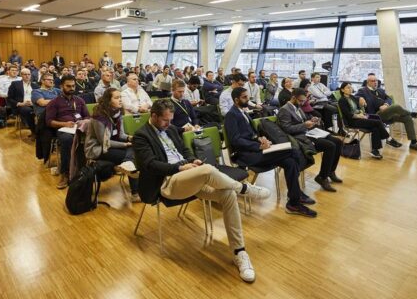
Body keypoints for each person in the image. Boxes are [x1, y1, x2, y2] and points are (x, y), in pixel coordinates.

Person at [132, 99, 270, 283]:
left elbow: (185, 151)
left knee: (227, 194)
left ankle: (239, 252)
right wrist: (180, 169)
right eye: (165, 120)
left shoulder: (171, 129)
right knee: (208, 170)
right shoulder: (141, 135)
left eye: (170, 120)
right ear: (154, 116)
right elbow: (150, 165)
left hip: (188, 177)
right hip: (166, 183)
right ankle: (244, 189)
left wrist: (192, 161)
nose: (169, 124)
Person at [225, 87, 317, 217]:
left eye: (247, 96)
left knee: (290, 162)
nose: (248, 99)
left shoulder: (242, 112)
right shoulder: (231, 115)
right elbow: (235, 140)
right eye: (244, 97)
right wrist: (258, 146)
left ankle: (294, 200)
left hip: (256, 150)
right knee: (293, 151)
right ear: (236, 100)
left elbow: (250, 134)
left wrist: (261, 139)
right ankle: (295, 197)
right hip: (246, 155)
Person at [278, 88, 343, 191]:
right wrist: (304, 125)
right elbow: (286, 129)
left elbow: (302, 121)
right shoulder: (284, 110)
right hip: (298, 138)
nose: (303, 102)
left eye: (304, 100)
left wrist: (311, 121)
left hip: (307, 133)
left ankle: (331, 171)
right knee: (330, 146)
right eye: (301, 100)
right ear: (293, 98)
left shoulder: (297, 106)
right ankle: (322, 177)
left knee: (338, 141)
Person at [85, 88, 140, 202]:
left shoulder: (118, 113)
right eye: (116, 98)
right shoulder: (99, 116)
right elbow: (104, 142)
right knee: (133, 154)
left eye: (120, 97)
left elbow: (121, 134)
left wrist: (131, 138)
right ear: (108, 100)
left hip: (111, 146)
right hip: (98, 149)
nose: (120, 100)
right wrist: (125, 145)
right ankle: (135, 193)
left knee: (137, 149)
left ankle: (127, 163)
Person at [355, 73, 417, 153]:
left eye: (376, 80)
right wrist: (360, 98)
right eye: (373, 81)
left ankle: (414, 143)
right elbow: (354, 97)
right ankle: (413, 114)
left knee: (407, 118)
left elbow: (389, 98)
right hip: (376, 116)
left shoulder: (380, 90)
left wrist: (386, 104)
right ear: (368, 82)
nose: (375, 82)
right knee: (396, 107)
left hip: (387, 114)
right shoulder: (363, 90)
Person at [46, 75, 90, 189]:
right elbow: (49, 121)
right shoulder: (54, 102)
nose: (71, 88)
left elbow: (87, 116)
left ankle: (88, 169)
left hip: (80, 127)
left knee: (96, 134)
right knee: (67, 139)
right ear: (61, 86)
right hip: (64, 130)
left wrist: (84, 122)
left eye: (73, 86)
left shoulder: (80, 100)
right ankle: (64, 173)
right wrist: (64, 124)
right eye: (68, 86)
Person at [339, 82, 390, 159]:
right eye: (348, 88)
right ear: (342, 90)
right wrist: (359, 115)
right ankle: (388, 138)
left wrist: (362, 113)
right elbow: (348, 115)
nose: (350, 89)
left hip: (360, 117)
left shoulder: (352, 97)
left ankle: (375, 151)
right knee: (377, 122)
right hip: (352, 121)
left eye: (351, 87)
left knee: (375, 124)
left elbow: (359, 108)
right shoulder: (342, 100)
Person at [8, 68, 39, 135]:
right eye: (25, 74)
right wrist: (20, 103)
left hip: (33, 104)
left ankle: (41, 131)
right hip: (21, 106)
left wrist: (33, 102)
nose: (27, 76)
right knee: (29, 111)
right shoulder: (15, 84)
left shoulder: (35, 85)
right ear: (21, 75)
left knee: (44, 111)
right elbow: (9, 98)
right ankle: (34, 132)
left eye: (29, 74)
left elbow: (39, 97)